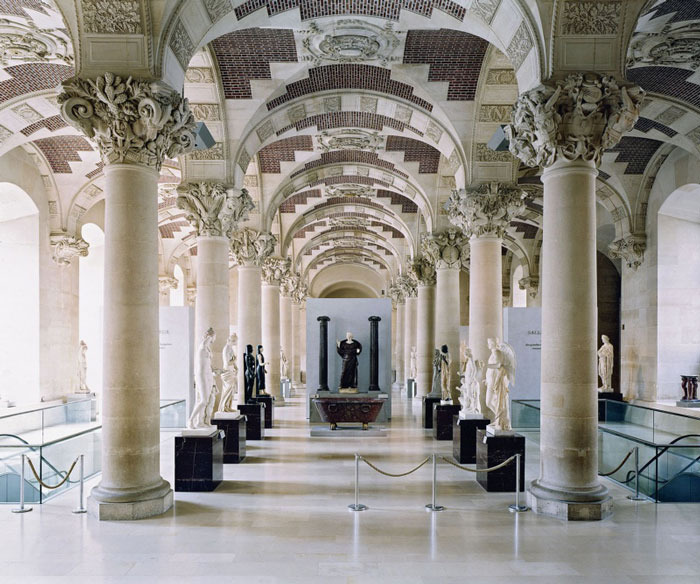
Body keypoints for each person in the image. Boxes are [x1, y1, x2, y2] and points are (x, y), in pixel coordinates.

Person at [484, 338, 516, 431]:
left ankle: (502, 420)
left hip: (495, 381)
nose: (488, 344)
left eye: (490, 342)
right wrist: (487, 379)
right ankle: (500, 419)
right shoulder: (493, 352)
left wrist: (486, 365)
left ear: (494, 343)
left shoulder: (497, 352)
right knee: (490, 402)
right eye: (488, 342)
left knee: (489, 402)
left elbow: (498, 365)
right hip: (491, 380)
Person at [188, 328, 217, 429]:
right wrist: (209, 336)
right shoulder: (203, 345)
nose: (215, 339)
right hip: (202, 375)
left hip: (208, 374)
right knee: (203, 400)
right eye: (215, 336)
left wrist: (214, 371)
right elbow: (205, 342)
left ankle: (199, 422)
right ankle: (191, 420)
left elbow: (208, 364)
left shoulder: (207, 347)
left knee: (204, 400)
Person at [217, 334, 237, 413]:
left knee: (231, 390)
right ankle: (223, 407)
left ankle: (228, 406)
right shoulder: (226, 349)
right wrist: (235, 360)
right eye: (234, 341)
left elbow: (232, 361)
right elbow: (227, 363)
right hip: (227, 371)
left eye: (235, 341)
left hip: (231, 371)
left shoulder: (230, 348)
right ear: (229, 340)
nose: (235, 343)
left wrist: (236, 367)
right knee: (228, 390)